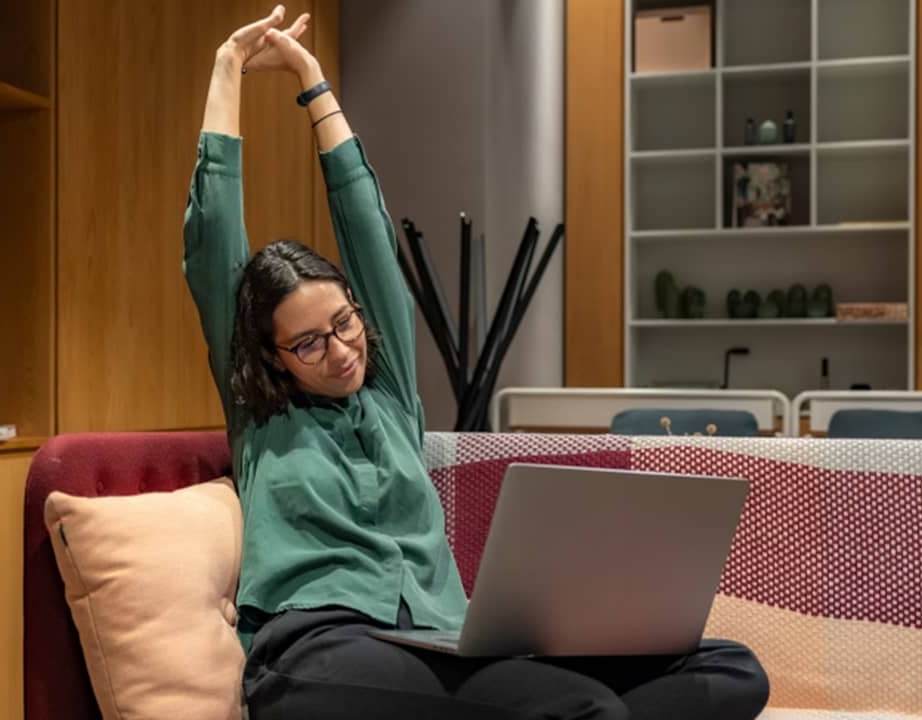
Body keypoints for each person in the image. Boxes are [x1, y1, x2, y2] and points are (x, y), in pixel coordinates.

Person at [183, 6, 770, 719]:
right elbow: (213, 238)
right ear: (269, 359)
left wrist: (314, 83)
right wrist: (225, 70)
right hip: (315, 651)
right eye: (309, 344)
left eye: (345, 325)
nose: (340, 351)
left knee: (733, 670)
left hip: (437, 642)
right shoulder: (263, 414)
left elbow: (366, 227)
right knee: (584, 709)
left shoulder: (389, 392)